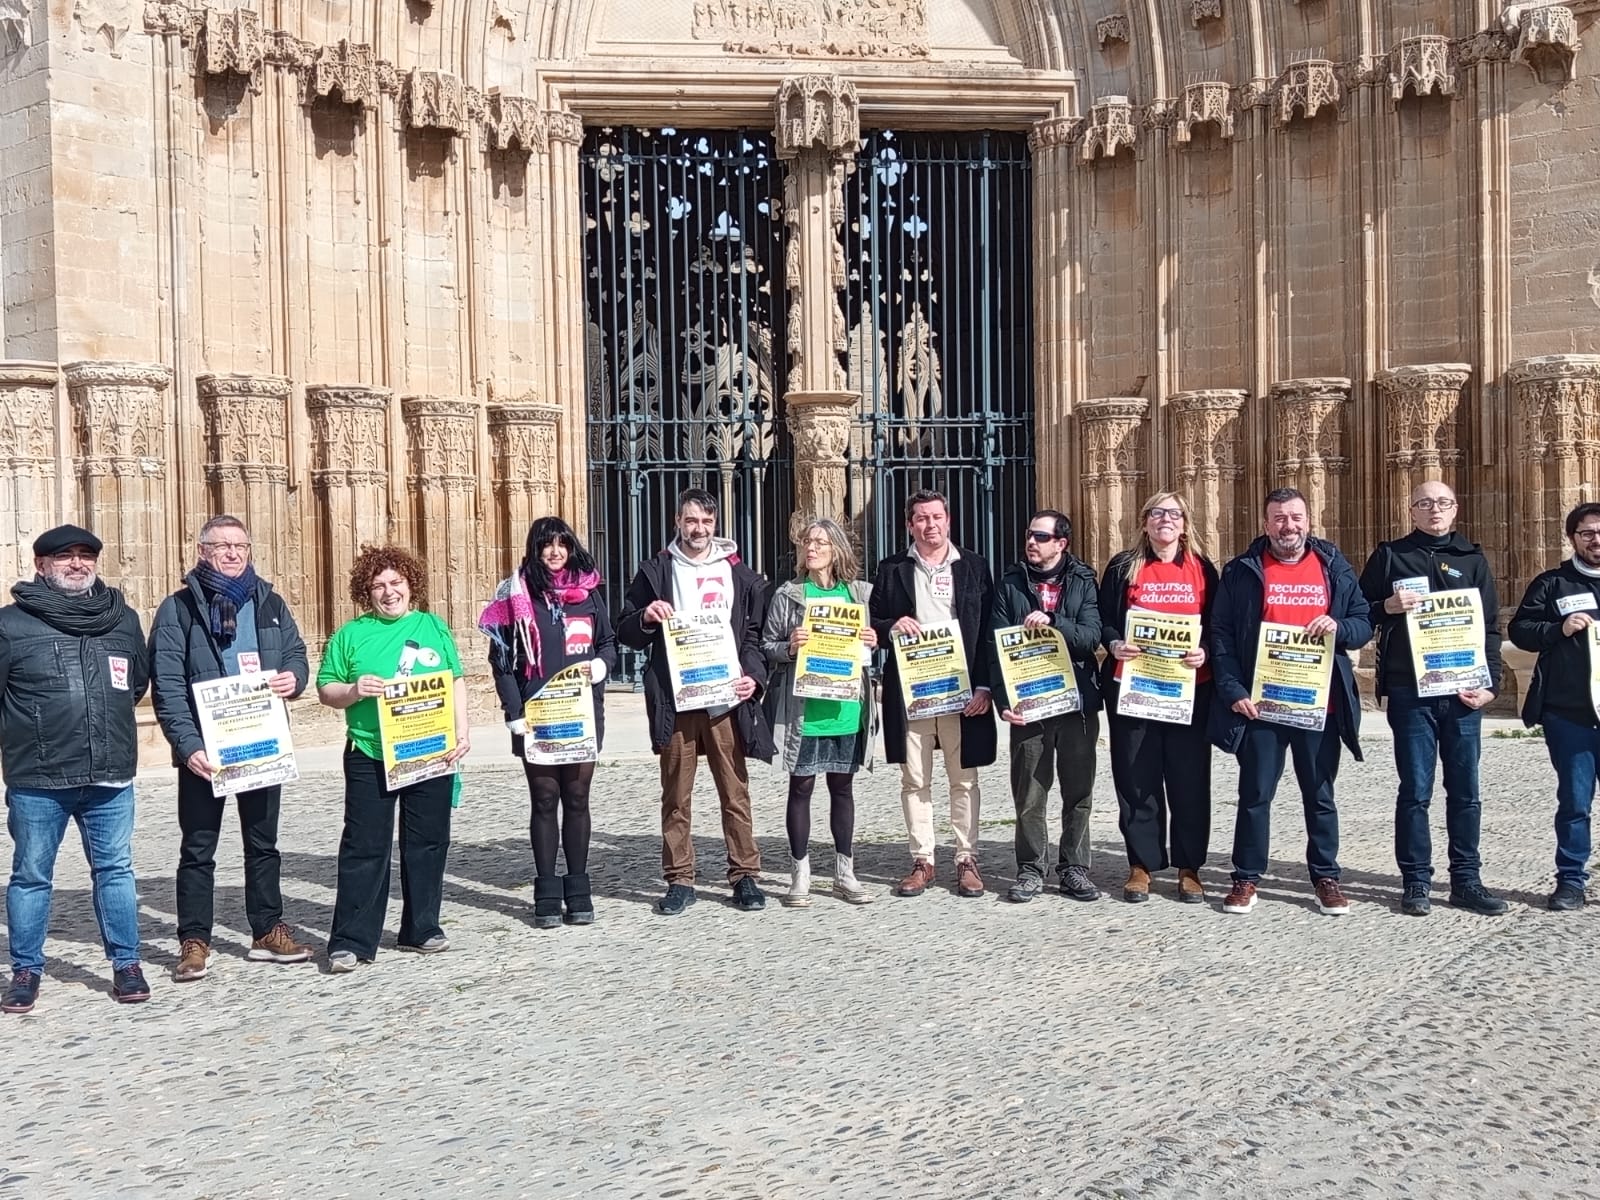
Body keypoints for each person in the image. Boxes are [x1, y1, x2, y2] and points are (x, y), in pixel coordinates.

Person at [150, 516, 313, 982]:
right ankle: (194, 940)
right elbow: (167, 684)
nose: (232, 553)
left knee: (263, 844)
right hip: (206, 751)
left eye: (240, 545)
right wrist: (188, 746)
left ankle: (267, 930)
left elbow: (296, 653)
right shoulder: (179, 608)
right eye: (222, 546)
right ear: (202, 551)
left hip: (260, 742)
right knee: (198, 848)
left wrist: (294, 678)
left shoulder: (269, 602)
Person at [1, 525, 152, 1013]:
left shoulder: (121, 618)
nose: (77, 563)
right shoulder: (11, 625)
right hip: (39, 778)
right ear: (41, 565)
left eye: (86, 555)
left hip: (110, 773)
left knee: (115, 871)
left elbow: (136, 683)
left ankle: (127, 964)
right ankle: (26, 970)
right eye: (64, 556)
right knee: (31, 875)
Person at [1210, 488, 1373, 916]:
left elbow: (1362, 623)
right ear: (1266, 524)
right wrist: (1233, 690)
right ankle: (1246, 877)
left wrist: (1338, 626)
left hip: (1319, 704)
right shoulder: (1242, 570)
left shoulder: (1333, 566)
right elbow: (1221, 634)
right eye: (1279, 518)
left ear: (1308, 520)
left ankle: (1326, 877)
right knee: (1255, 793)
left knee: (1319, 794)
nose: (1288, 526)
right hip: (1262, 704)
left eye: (1296, 517)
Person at [617, 488, 775, 916]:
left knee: (734, 791)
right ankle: (680, 878)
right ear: (677, 522)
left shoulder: (737, 573)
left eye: (706, 521)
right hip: (678, 697)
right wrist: (645, 616)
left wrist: (753, 677)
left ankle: (744, 874)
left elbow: (753, 636)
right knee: (676, 794)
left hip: (725, 698)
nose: (698, 529)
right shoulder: (656, 571)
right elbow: (625, 629)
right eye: (690, 521)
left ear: (715, 524)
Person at [316, 546, 470, 971]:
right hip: (370, 751)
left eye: (396, 582)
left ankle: (422, 927)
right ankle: (352, 939)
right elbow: (326, 688)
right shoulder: (350, 635)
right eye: (378, 585)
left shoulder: (432, 626)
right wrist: (353, 691)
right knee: (365, 845)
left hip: (429, 748)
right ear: (366, 592)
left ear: (410, 585)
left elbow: (455, 680)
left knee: (428, 841)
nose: (389, 592)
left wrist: (462, 730)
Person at [1359, 481, 1506, 917]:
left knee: (1465, 791)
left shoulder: (1472, 559)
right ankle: (1416, 881)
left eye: (1442, 503)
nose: (1434, 510)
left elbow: (1491, 627)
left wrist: (1492, 685)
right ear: (1412, 510)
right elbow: (1359, 612)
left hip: (1462, 691)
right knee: (1415, 789)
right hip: (1411, 691)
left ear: (1455, 509)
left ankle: (1466, 880)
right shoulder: (1391, 556)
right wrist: (1387, 606)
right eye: (1425, 503)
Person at [483, 517, 618, 929]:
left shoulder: (588, 593)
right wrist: (514, 713)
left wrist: (601, 665)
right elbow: (501, 660)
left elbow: (607, 642)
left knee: (577, 799)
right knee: (544, 799)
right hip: (536, 716)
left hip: (580, 714)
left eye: (562, 544)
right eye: (547, 545)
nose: (555, 552)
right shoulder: (515, 595)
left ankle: (578, 888)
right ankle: (545, 890)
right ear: (535, 549)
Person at [870, 489, 997, 898]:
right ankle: (922, 859)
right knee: (915, 778)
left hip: (962, 691)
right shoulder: (892, 568)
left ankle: (966, 858)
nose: (930, 525)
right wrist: (891, 626)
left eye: (937, 517)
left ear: (948, 520)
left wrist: (985, 686)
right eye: (922, 518)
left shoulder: (973, 566)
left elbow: (989, 630)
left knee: (964, 778)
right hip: (913, 690)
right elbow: (873, 622)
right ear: (910, 525)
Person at [1099, 492, 1219, 904]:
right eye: (1157, 512)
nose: (1165, 519)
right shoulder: (1123, 567)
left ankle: (1189, 867)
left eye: (1174, 514)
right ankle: (1142, 864)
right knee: (1136, 776)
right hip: (1134, 689)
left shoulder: (1202, 568)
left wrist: (1205, 650)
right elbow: (1105, 619)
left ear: (1185, 524)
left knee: (1189, 779)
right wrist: (1114, 643)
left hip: (1189, 690)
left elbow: (1216, 623)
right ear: (1144, 521)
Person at [761, 516, 878, 907]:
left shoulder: (857, 594)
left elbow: (868, 650)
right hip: (805, 709)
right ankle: (801, 873)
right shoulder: (790, 594)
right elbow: (767, 646)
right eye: (807, 542)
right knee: (802, 788)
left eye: (820, 543)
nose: (811, 548)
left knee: (842, 789)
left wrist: (872, 640)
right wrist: (789, 646)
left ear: (836, 550)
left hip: (845, 705)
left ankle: (845, 872)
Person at [991, 510, 1104, 903]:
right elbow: (994, 646)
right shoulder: (1011, 583)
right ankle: (1030, 869)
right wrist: (1003, 700)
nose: (1031, 542)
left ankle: (1074, 868)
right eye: (1029, 534)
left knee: (1079, 791)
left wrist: (1054, 621)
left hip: (1076, 704)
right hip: (1029, 703)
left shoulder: (1083, 580)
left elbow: (1091, 637)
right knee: (1029, 793)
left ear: (1061, 543)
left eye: (1041, 536)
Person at [1509, 501, 1600, 912]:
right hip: (1570, 713)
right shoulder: (1553, 584)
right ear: (1572, 538)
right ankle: (1570, 881)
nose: (1596, 540)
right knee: (1575, 802)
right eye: (1587, 533)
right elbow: (1521, 630)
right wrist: (1558, 628)